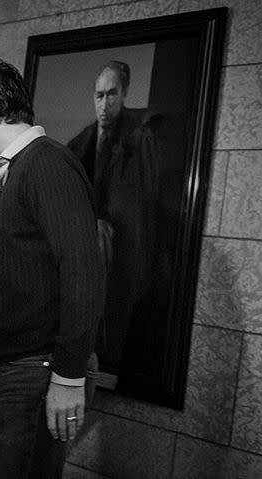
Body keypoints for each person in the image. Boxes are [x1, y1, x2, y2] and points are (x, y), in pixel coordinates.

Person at [0, 58, 104, 479]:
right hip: (19, 368)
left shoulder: (47, 163)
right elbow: (36, 283)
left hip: (37, 374)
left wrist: (68, 376)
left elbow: (82, 271)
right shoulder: (26, 166)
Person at [67, 60, 164, 372]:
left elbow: (146, 204)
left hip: (124, 253)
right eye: (98, 95)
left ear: (124, 94)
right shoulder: (81, 142)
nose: (103, 104)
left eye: (111, 94)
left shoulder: (140, 136)